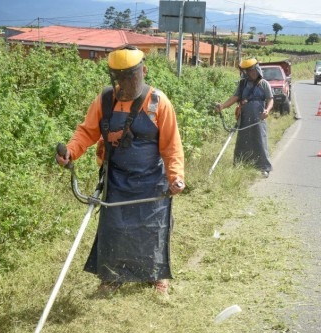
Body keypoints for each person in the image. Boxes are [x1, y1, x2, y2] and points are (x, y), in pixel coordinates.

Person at [55, 46, 185, 295]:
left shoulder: (158, 103)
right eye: (119, 77)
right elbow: (86, 132)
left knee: (152, 229)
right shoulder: (105, 101)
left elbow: (171, 146)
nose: (124, 83)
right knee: (115, 228)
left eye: (130, 76)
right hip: (116, 179)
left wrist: (176, 177)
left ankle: (157, 277)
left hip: (152, 181)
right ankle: (112, 277)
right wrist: (71, 151)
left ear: (143, 71)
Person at [215, 57, 274, 178]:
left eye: (251, 70)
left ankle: (264, 168)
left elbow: (270, 100)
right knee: (242, 142)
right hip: (244, 117)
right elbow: (235, 97)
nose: (249, 73)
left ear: (257, 69)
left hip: (258, 119)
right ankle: (240, 165)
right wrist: (223, 106)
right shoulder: (243, 84)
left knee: (260, 141)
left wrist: (267, 110)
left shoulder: (264, 84)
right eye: (247, 71)